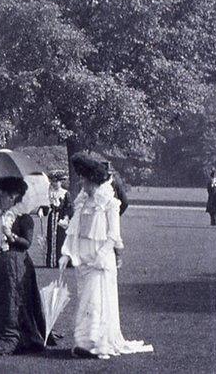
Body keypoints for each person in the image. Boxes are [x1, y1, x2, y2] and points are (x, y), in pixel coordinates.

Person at [61, 153, 152, 359]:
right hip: (83, 257)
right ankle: (84, 341)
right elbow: (74, 230)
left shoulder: (110, 203)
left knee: (97, 300)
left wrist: (101, 256)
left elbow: (113, 235)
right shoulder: (82, 202)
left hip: (99, 259)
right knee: (85, 299)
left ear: (92, 180)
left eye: (84, 179)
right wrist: (67, 253)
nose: (81, 183)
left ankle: (95, 343)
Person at [0, 176, 48, 355]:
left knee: (14, 300)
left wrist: (12, 236)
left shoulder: (23, 218)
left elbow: (27, 243)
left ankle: (12, 336)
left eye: (2, 195)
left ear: (13, 197)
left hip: (16, 265)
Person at [45, 170, 73, 268]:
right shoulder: (50, 193)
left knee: (61, 239)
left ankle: (61, 260)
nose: (55, 184)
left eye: (56, 182)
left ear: (60, 182)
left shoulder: (65, 193)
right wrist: (42, 210)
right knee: (51, 238)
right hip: (52, 218)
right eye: (53, 182)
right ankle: (51, 261)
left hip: (61, 219)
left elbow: (68, 207)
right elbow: (46, 206)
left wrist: (66, 218)